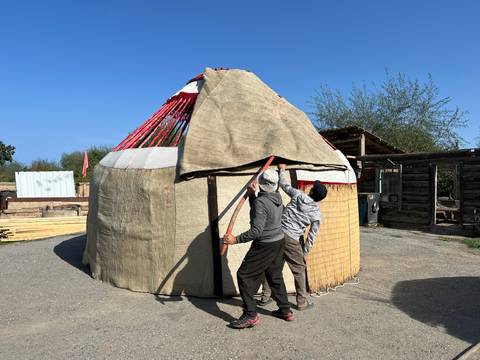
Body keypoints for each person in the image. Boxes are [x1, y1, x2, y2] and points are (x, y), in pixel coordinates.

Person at [223, 168, 293, 329]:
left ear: (261, 184)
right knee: (275, 276)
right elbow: (262, 210)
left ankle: (250, 315)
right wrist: (252, 195)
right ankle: (285, 310)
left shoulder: (262, 202)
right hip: (278, 241)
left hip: (265, 244)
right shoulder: (277, 198)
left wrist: (235, 240)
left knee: (244, 275)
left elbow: (256, 231)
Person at [258, 163, 327, 311]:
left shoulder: (298, 195)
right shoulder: (317, 214)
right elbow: (311, 236)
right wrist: (305, 252)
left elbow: (283, 184)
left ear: (311, 190)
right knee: (299, 269)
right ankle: (301, 302)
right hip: (291, 238)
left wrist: (282, 169)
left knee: (272, 265)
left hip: (276, 232)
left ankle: (265, 296)